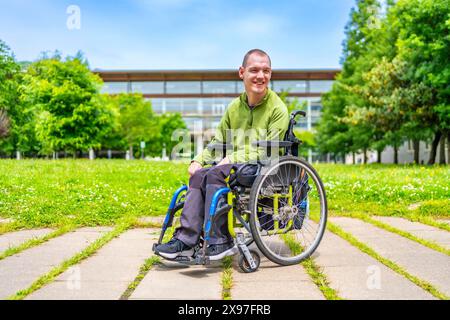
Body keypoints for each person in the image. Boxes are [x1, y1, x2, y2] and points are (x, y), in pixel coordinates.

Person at [155, 49, 289, 260]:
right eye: (254, 70)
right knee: (199, 175)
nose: (260, 76)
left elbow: (267, 149)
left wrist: (232, 158)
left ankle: (220, 241)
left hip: (263, 165)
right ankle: (186, 240)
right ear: (241, 72)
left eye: (266, 71)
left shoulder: (278, 108)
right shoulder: (234, 107)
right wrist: (198, 160)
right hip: (234, 164)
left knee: (216, 174)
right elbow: (219, 143)